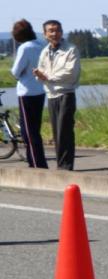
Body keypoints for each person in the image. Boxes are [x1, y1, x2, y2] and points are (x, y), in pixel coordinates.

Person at [32, 19, 80, 170]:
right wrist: (39, 75)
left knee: (64, 130)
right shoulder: (45, 51)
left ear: (62, 32)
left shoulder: (71, 49)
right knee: (56, 132)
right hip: (51, 95)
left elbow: (70, 73)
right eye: (51, 31)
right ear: (45, 34)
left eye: (57, 30)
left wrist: (48, 77)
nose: (55, 33)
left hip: (66, 93)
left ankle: (66, 166)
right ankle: (61, 164)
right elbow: (41, 70)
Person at [9, 19, 48, 169]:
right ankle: (35, 160)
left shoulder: (24, 48)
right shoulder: (41, 45)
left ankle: (36, 163)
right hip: (40, 89)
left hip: (26, 92)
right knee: (34, 129)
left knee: (28, 132)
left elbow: (16, 71)